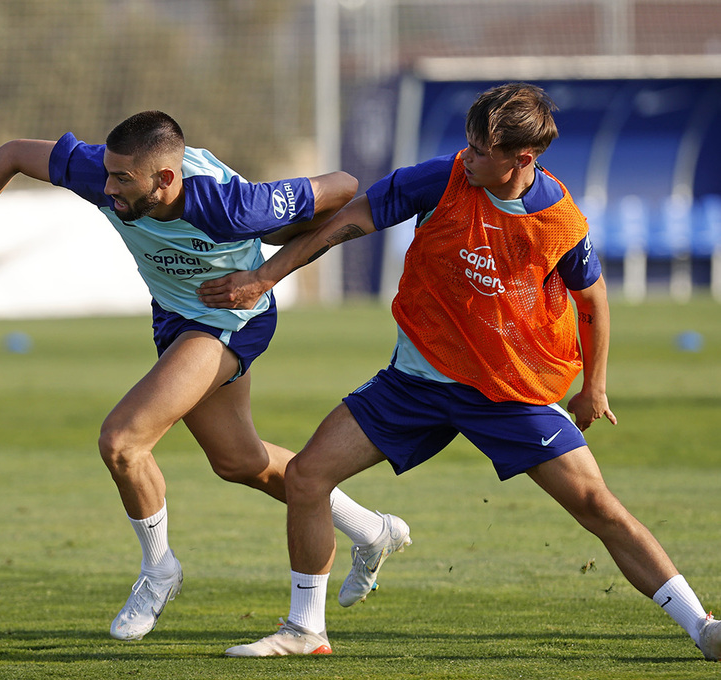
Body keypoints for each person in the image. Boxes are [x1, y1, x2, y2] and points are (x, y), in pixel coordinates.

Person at [199, 83, 721, 660]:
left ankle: (703, 627)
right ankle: (305, 631)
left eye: (479, 150)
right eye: (466, 143)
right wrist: (266, 277)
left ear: (523, 159)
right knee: (305, 476)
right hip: (416, 381)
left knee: (598, 506)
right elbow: (348, 220)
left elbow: (592, 299)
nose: (465, 157)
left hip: (509, 391)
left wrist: (593, 387)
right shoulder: (440, 178)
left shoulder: (558, 221)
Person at [0, 111, 410, 642]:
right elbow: (12, 154)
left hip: (232, 318)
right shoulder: (102, 172)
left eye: (123, 181)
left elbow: (344, 186)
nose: (107, 188)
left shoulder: (235, 205)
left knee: (122, 441)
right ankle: (372, 530)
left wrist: (267, 261)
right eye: (108, 174)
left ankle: (159, 568)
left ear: (165, 179)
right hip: (176, 318)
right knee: (239, 461)